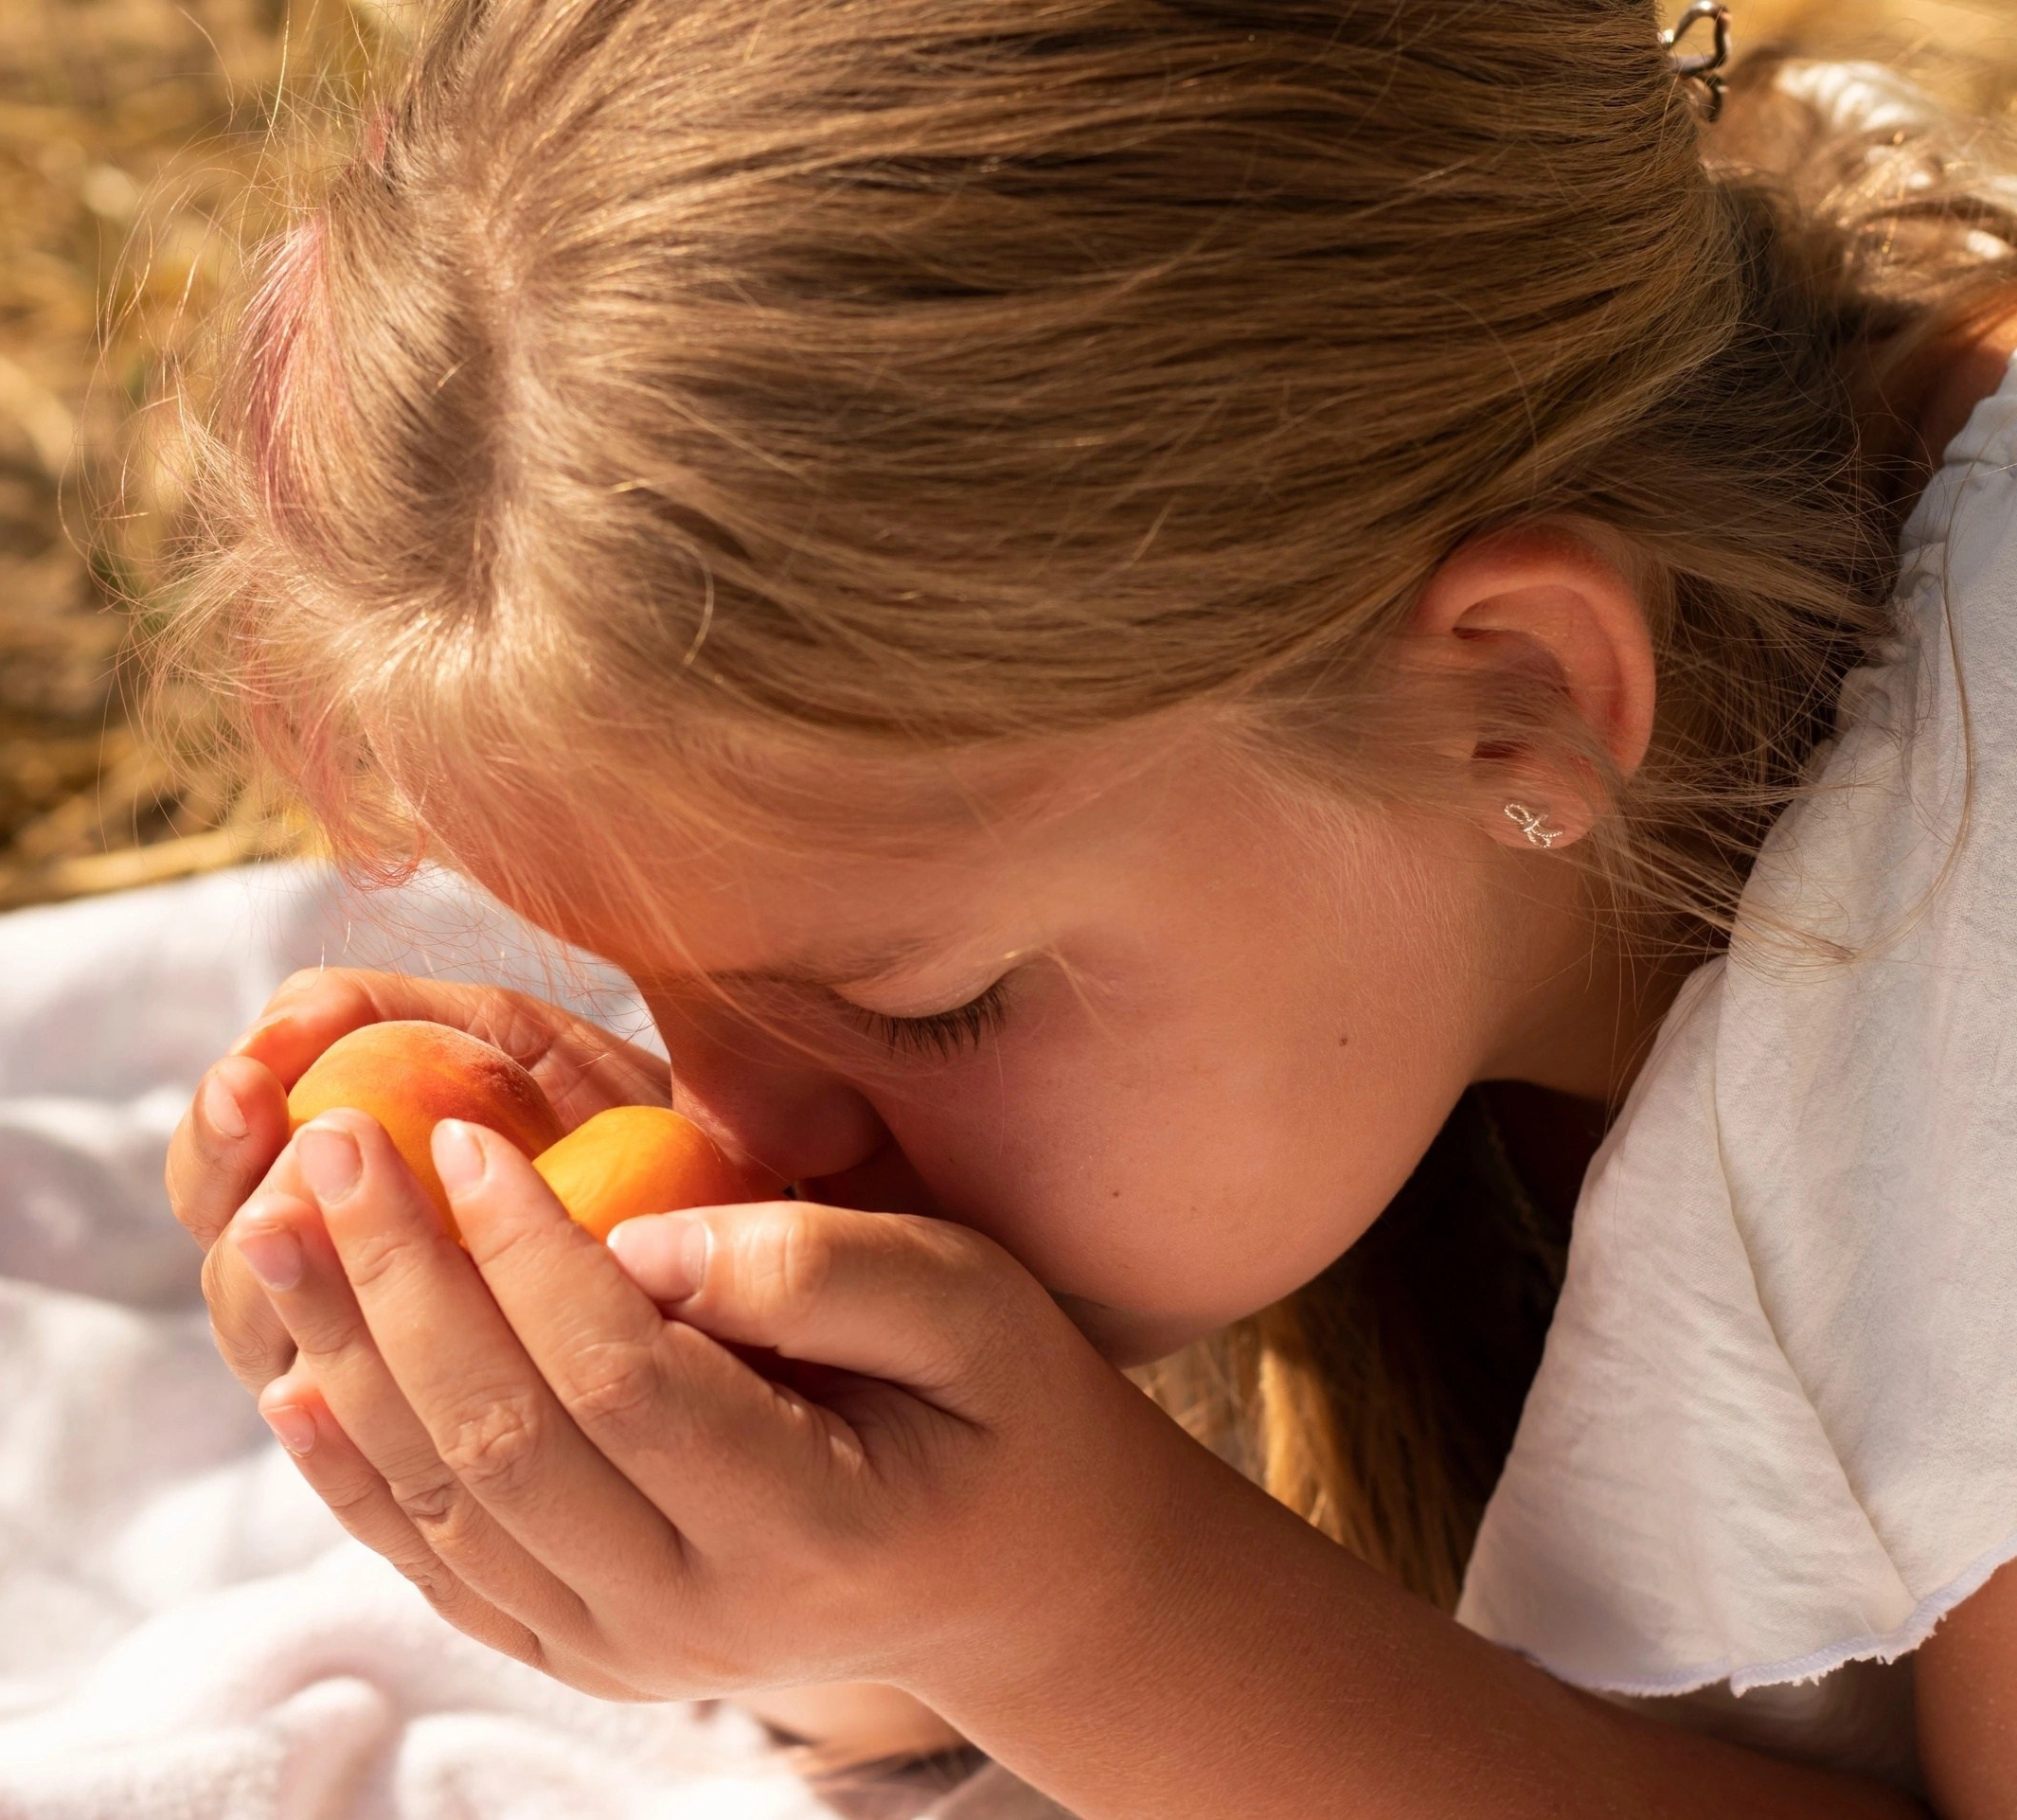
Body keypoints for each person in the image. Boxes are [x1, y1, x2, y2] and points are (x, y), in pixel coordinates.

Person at [154, 4, 2017, 1811]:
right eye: (652, 979)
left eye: (924, 1002)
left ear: (1515, 698)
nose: (737, 1131)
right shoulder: (1347, 969)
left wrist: (1078, 1612)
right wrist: (753, 1523)